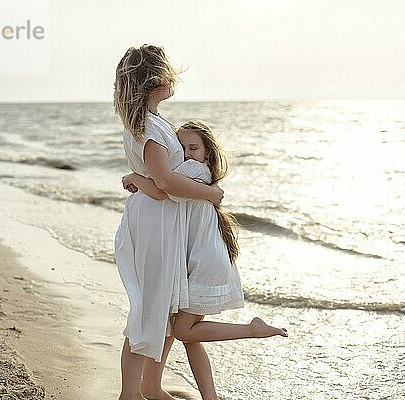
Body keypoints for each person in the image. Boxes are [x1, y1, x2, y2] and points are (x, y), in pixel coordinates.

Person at [123, 119, 287, 400]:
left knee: (184, 331)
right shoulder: (197, 173)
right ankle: (206, 397)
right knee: (188, 335)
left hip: (204, 266)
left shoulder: (195, 172)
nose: (187, 153)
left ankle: (252, 329)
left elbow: (165, 188)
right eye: (182, 148)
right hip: (200, 263)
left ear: (207, 154)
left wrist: (136, 179)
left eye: (193, 147)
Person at [113, 45, 224, 400]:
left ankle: (149, 387)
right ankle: (130, 395)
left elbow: (160, 181)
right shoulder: (147, 125)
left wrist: (141, 179)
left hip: (162, 221)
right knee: (150, 308)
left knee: (163, 305)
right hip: (154, 222)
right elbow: (165, 184)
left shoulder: (154, 122)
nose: (173, 76)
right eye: (167, 70)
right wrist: (211, 194)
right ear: (153, 79)